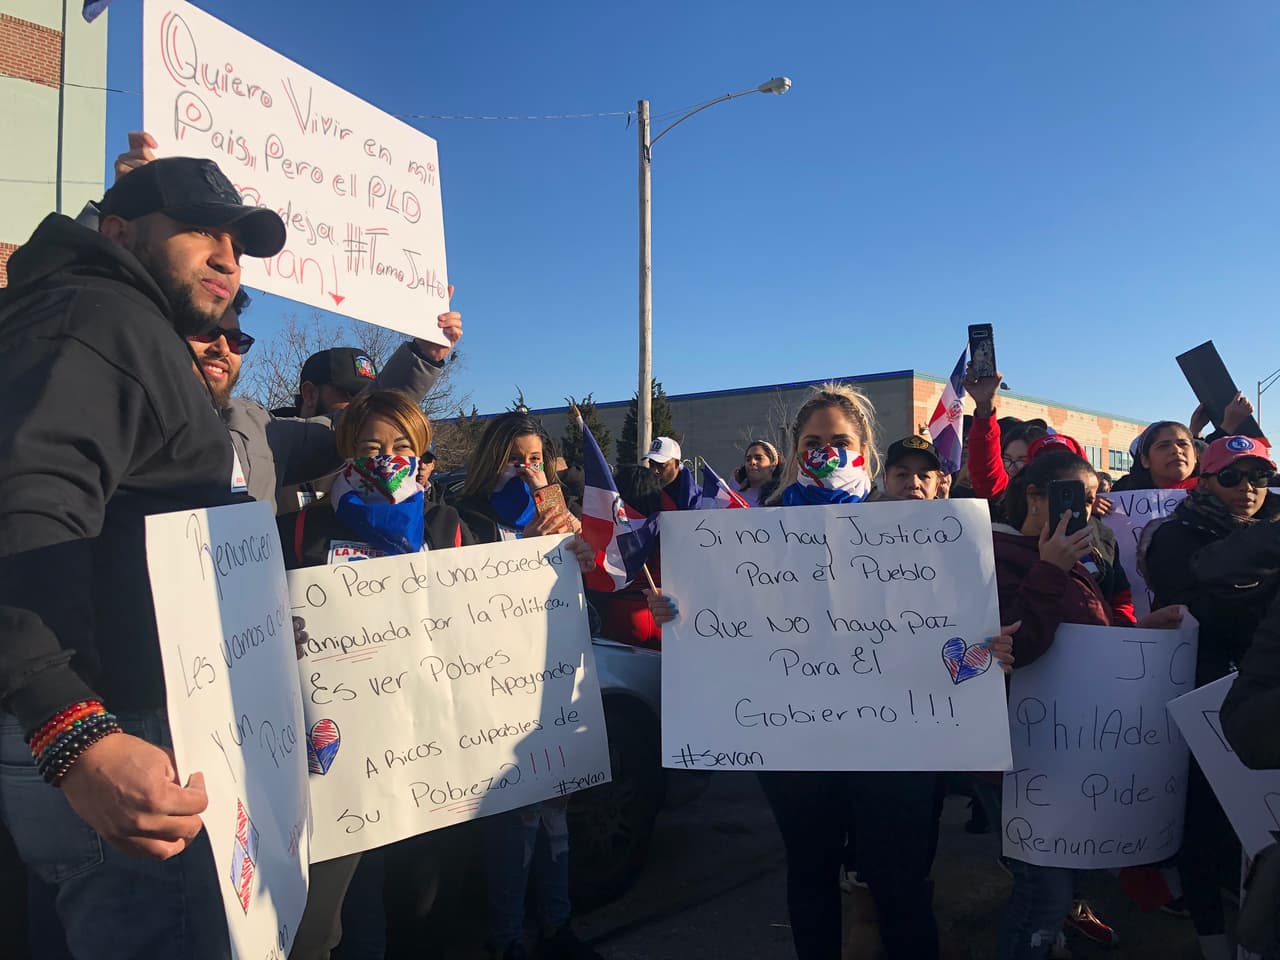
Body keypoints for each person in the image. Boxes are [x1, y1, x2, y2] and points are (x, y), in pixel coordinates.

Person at [0, 157, 286, 959]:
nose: (228, 256)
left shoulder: (113, 321)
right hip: (118, 738)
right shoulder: (94, 316)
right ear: (119, 232)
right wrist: (74, 730)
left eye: (236, 239)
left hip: (123, 731)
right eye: (200, 230)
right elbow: (26, 509)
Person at [647, 383, 1013, 960]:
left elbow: (951, 629)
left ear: (865, 446)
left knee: (899, 884)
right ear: (796, 450)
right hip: (796, 738)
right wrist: (677, 612)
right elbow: (724, 621)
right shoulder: (754, 530)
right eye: (814, 442)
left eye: (840, 441)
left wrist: (984, 655)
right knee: (811, 874)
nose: (826, 453)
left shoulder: (916, 525)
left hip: (898, 738)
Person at [280, 390, 473, 960]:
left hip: (424, 750)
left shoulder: (446, 527)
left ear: (420, 451)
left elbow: (502, 608)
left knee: (420, 900)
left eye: (401, 445)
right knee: (326, 924)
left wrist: (571, 552)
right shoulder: (300, 530)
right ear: (347, 451)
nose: (387, 456)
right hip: (333, 759)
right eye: (371, 446)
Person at [989, 446, 1183, 960]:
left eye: (1095, 499)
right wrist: (1050, 569)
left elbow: (1084, 637)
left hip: (1069, 750)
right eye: (1076, 498)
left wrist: (1140, 632)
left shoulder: (1078, 558)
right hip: (1023, 754)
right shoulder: (996, 555)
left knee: (1058, 888)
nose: (1089, 510)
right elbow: (1017, 647)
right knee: (1041, 897)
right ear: (1034, 496)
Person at [453, 414, 599, 960]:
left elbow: (590, 591)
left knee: (555, 812)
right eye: (515, 457)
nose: (527, 468)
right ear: (492, 459)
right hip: (495, 689)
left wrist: (576, 556)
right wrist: (521, 556)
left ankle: (558, 926)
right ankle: (508, 937)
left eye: (536, 459)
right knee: (512, 822)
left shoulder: (557, 518)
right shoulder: (466, 517)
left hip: (553, 681)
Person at [1144, 435, 1280, 960]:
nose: (1248, 488)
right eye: (1232, 477)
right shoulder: (1174, 536)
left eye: (1260, 477)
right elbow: (1201, 610)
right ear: (1204, 481)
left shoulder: (1265, 534)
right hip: (1199, 696)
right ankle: (1211, 936)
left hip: (1259, 695)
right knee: (1202, 817)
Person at [1111, 421, 1199, 491]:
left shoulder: (1211, 492)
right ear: (1145, 460)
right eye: (1164, 446)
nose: (1176, 450)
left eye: (1183, 444)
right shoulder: (1120, 501)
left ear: (1195, 455)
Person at [881, 436, 943, 500]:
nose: (914, 484)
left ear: (936, 485)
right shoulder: (871, 509)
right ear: (885, 482)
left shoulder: (949, 510)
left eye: (924, 476)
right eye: (902, 474)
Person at [644, 436, 699, 510]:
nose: (654, 470)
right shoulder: (643, 495)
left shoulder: (699, 501)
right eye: (651, 465)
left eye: (661, 465)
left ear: (676, 463)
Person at [733, 439, 783, 506]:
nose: (752, 462)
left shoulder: (784, 495)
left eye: (758, 458)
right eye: (748, 459)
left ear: (773, 463)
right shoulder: (734, 496)